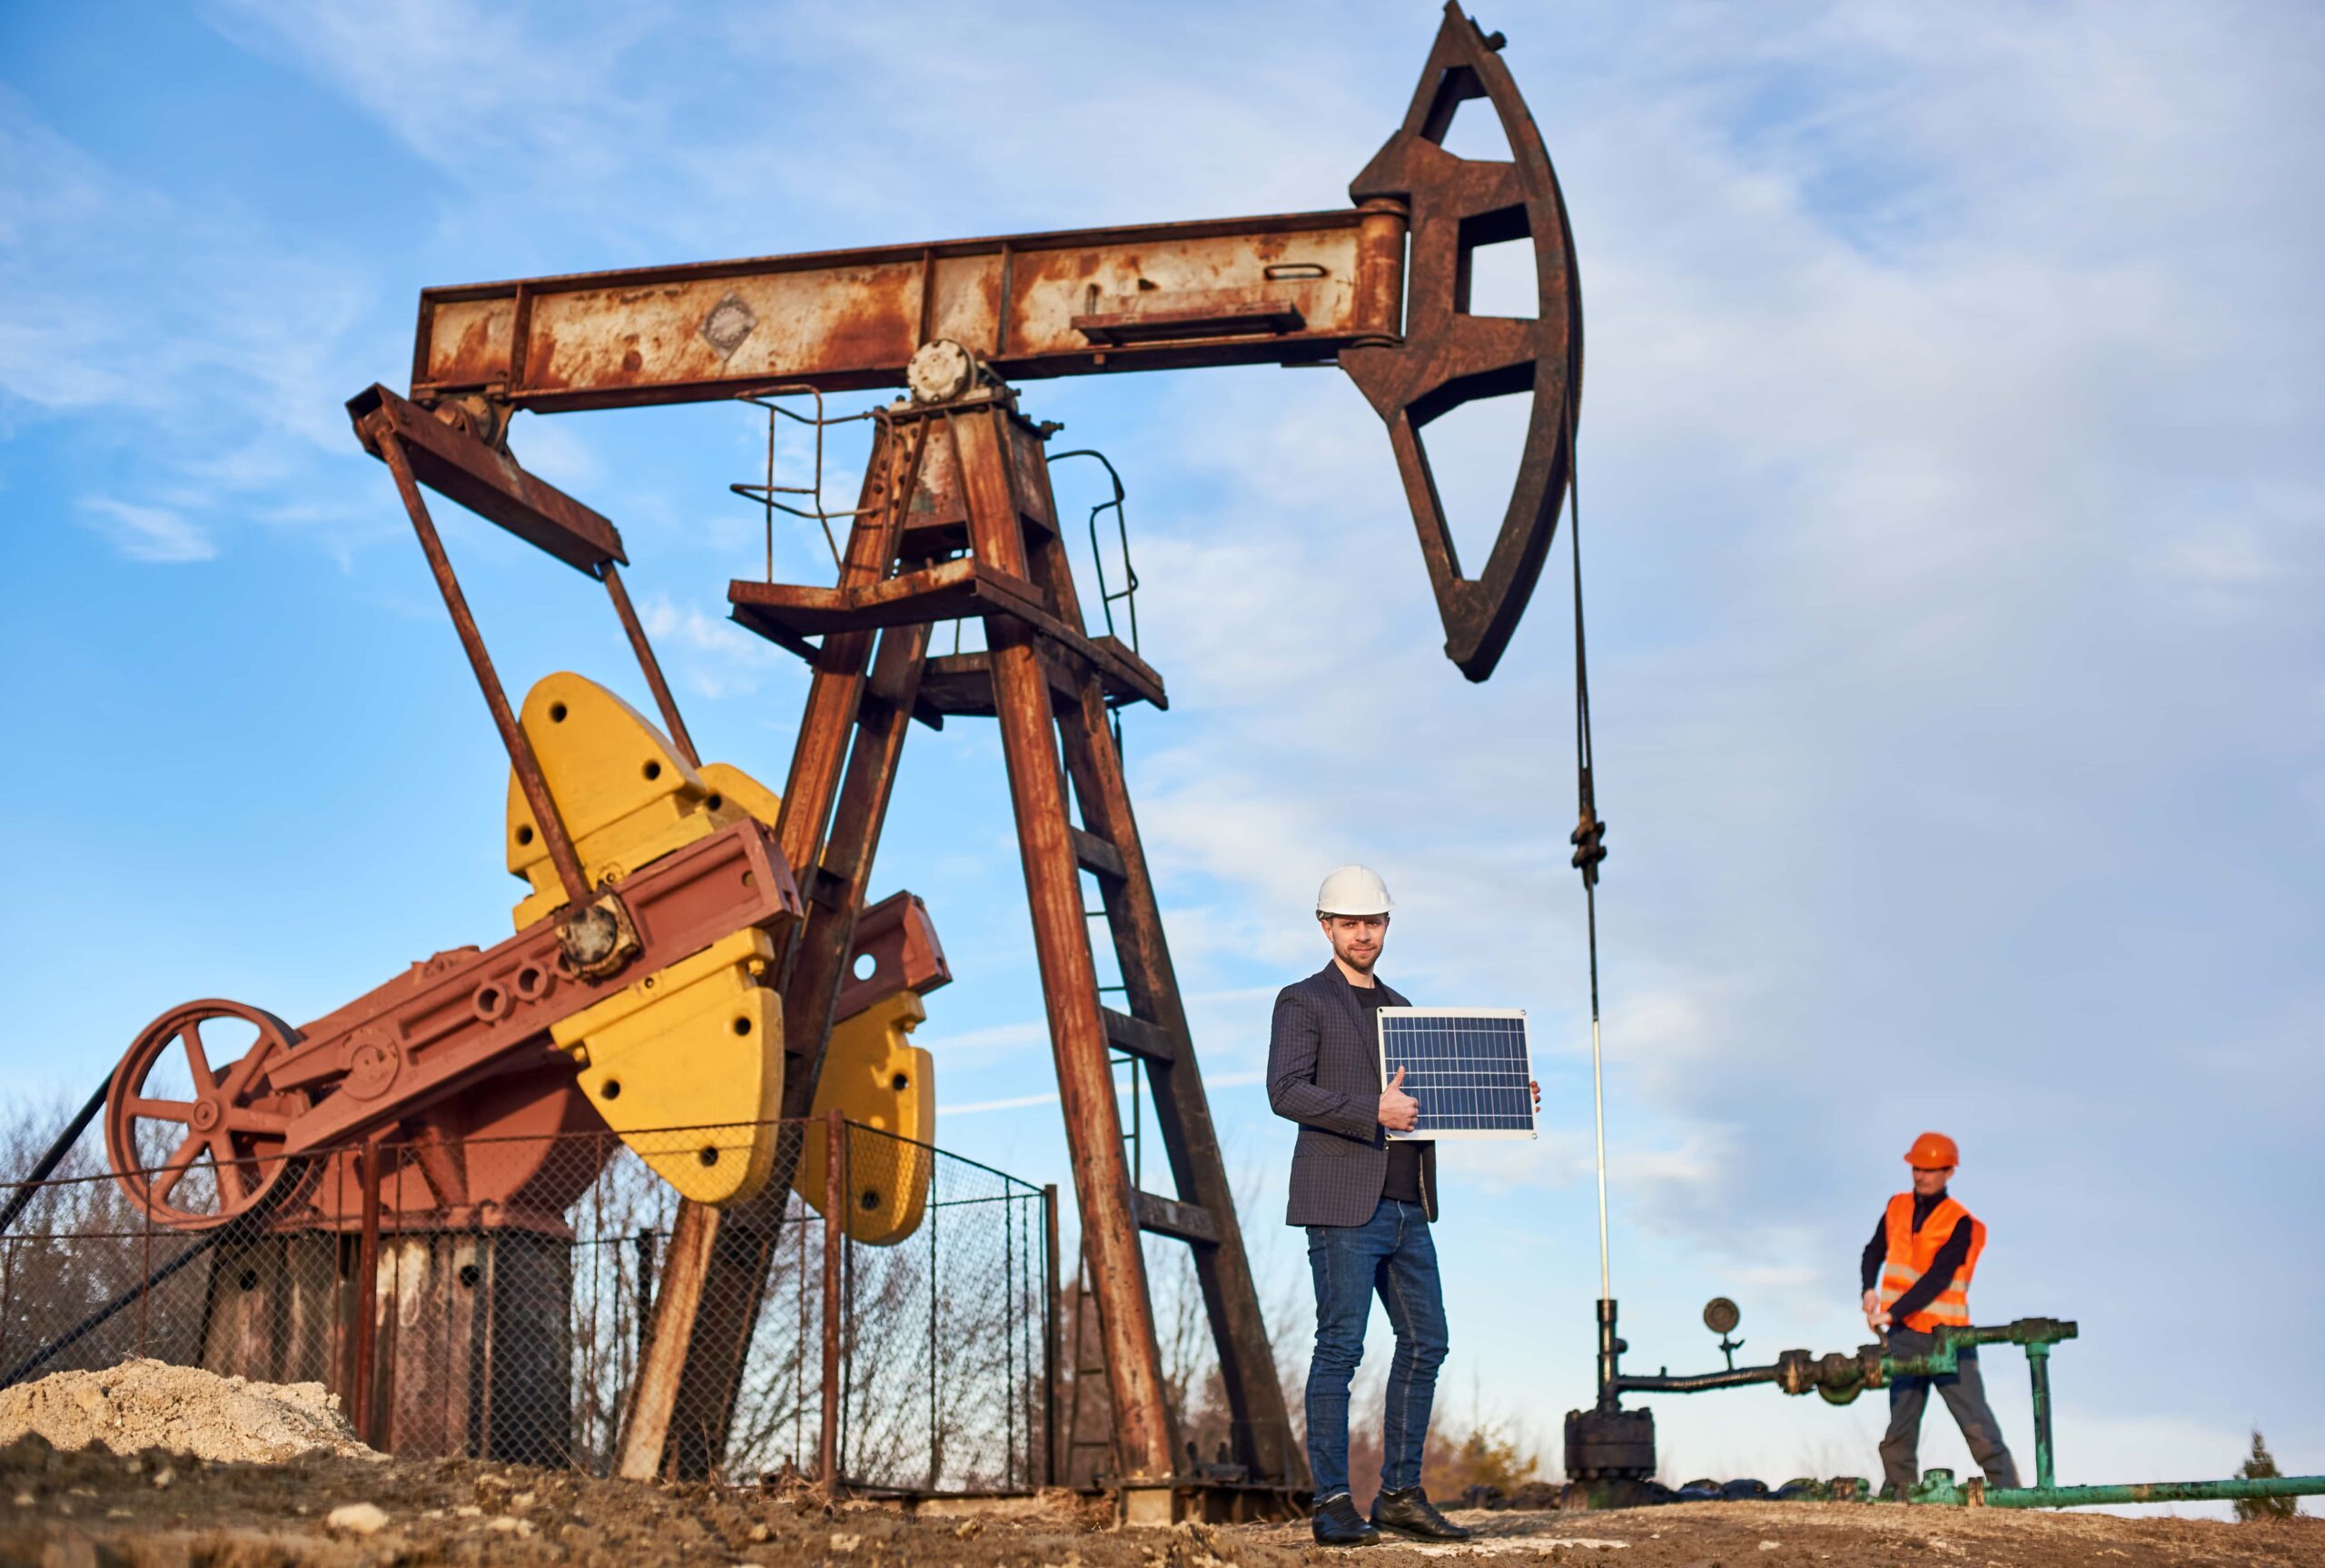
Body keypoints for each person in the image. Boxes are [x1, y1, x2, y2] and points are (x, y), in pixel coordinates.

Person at [1266, 864, 1539, 1547]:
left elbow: (1431, 1101)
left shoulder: (1405, 1010)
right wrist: (1370, 1109)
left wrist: (1506, 1094)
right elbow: (1285, 1090)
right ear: (1326, 925)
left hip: (1407, 1205)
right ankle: (1332, 1501)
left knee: (1427, 1341)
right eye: (1350, 922)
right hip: (1342, 1206)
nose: (1364, 933)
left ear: (1387, 925)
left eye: (1374, 921)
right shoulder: (1302, 1001)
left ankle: (1400, 1496)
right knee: (1340, 1349)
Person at [1861, 1131, 2022, 1495]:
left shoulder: (1960, 1222)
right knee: (1900, 1423)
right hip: (1904, 1336)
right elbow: (1873, 1250)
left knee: (1976, 1422)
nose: (1920, 1176)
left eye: (1930, 1170)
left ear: (1949, 1172)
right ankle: (1900, 1492)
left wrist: (1891, 1313)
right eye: (1916, 1168)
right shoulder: (1897, 1207)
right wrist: (1869, 1289)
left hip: (1948, 1338)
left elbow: (1938, 1278)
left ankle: (2011, 1495)